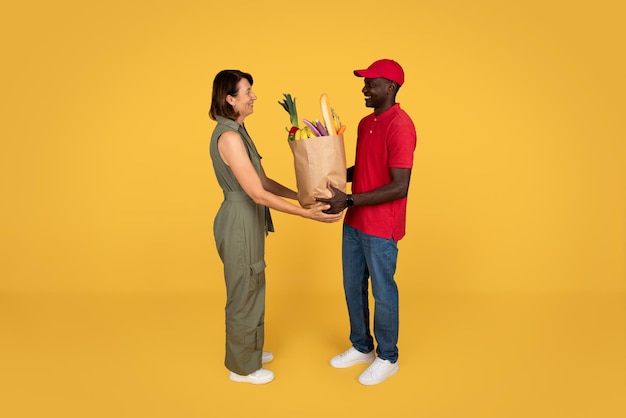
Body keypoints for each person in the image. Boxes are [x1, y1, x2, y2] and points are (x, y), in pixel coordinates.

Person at [208, 69, 342, 385]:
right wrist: (306, 214)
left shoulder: (239, 132)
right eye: (248, 92)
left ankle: (249, 349)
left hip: (249, 217)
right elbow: (256, 193)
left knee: (253, 282)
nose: (253, 97)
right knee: (244, 288)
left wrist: (303, 195)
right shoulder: (228, 137)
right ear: (230, 99)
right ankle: (242, 368)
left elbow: (263, 181)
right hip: (239, 219)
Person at [316, 59, 417, 385]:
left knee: (383, 292)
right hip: (355, 222)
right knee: (352, 287)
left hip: (380, 227)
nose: (364, 89)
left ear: (390, 87)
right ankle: (362, 346)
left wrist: (347, 200)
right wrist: (329, 177)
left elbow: (399, 185)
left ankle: (388, 357)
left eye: (370, 83)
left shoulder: (401, 125)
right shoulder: (365, 122)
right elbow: (365, 169)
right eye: (364, 82)